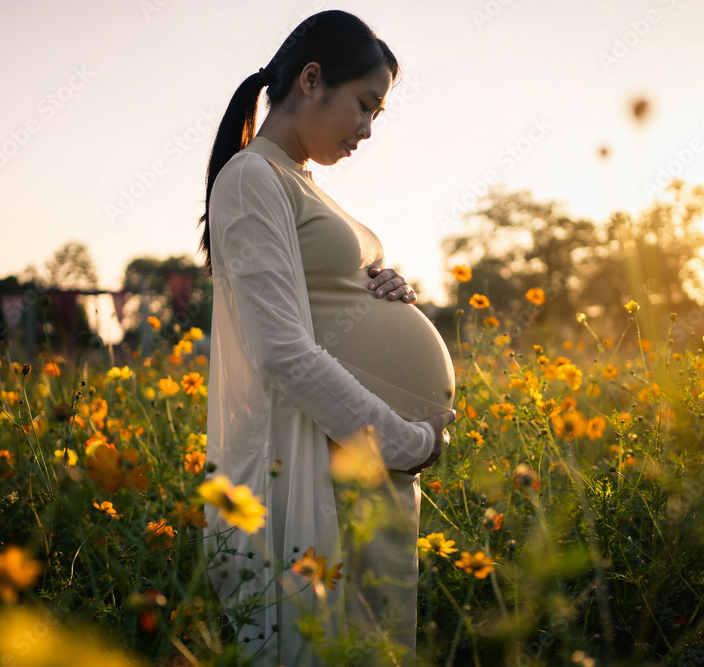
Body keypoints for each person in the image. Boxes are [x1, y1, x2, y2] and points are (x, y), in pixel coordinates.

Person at [197, 10, 457, 666]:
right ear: (311, 79)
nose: (368, 130)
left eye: (378, 115)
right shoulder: (253, 179)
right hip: (327, 460)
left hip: (361, 463)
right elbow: (282, 352)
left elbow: (322, 304)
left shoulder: (298, 183)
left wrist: (385, 285)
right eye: (363, 106)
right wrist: (404, 442)